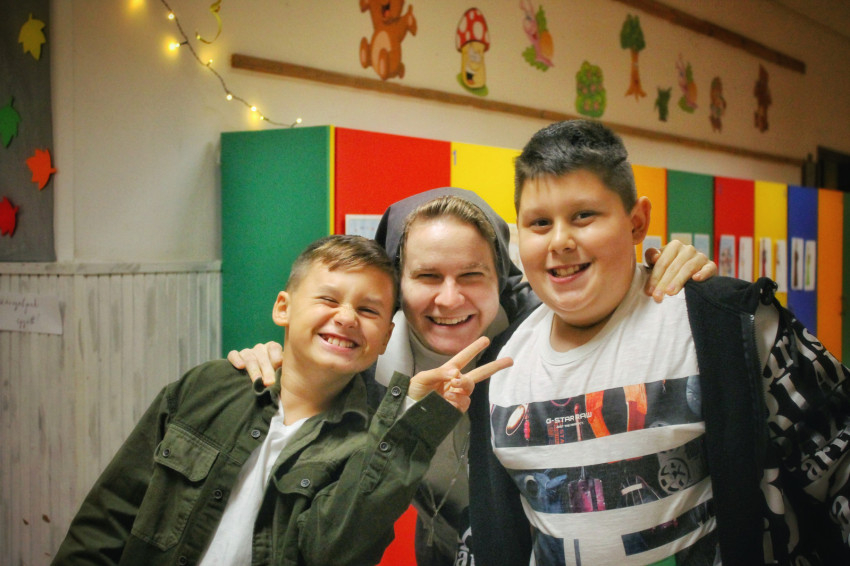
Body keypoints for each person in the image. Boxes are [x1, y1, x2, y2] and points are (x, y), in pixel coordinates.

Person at [229, 189, 717, 565]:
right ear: (397, 283)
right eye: (426, 276)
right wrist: (270, 362)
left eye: (471, 275)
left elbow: (621, 311)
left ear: (501, 277)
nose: (449, 299)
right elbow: (307, 362)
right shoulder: (370, 364)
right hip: (442, 545)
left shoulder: (548, 332)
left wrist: (663, 278)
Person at [467, 119, 850, 565]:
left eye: (584, 215)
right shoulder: (499, 368)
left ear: (636, 223)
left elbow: (839, 458)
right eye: (539, 223)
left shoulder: (729, 324)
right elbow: (492, 531)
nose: (561, 241)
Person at [51, 234, 511, 566]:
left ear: (386, 335)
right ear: (283, 308)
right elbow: (108, 517)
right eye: (328, 299)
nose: (346, 317)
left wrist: (408, 417)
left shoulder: (375, 438)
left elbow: (334, 550)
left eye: (368, 309)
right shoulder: (207, 387)